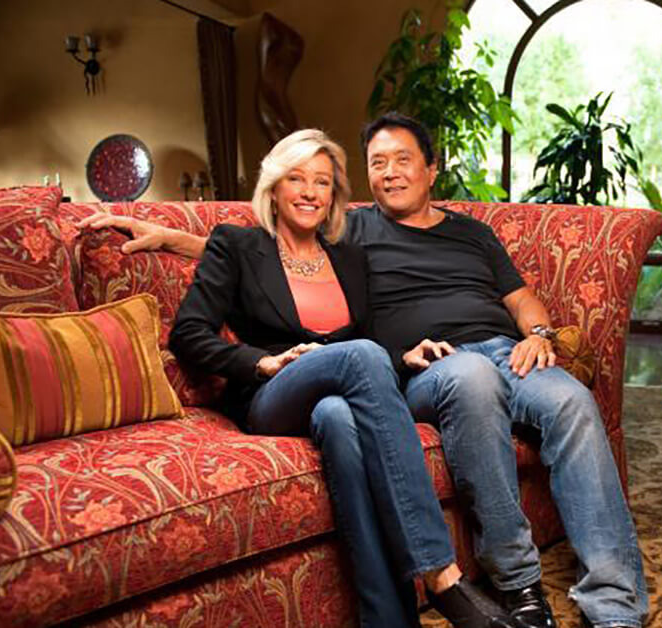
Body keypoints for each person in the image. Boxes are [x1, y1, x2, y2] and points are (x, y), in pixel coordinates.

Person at [83, 114, 648, 628]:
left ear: (431, 168)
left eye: (403, 160)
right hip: (407, 370)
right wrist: (171, 238)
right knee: (452, 375)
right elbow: (264, 252)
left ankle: (614, 607)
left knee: (572, 402)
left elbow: (519, 297)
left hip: (490, 352)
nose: (391, 173)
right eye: (378, 163)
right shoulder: (353, 231)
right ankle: (491, 581)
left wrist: (539, 334)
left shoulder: (443, 236)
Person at [158, 129, 516, 628]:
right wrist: (261, 363)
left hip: (335, 395)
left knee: (339, 418)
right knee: (359, 357)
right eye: (296, 179)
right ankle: (441, 573)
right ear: (273, 189)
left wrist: (404, 355)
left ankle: (387, 619)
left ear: (333, 196)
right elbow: (188, 334)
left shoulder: (348, 255)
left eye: (322, 182)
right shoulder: (237, 245)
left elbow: (369, 337)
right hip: (272, 393)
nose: (309, 192)